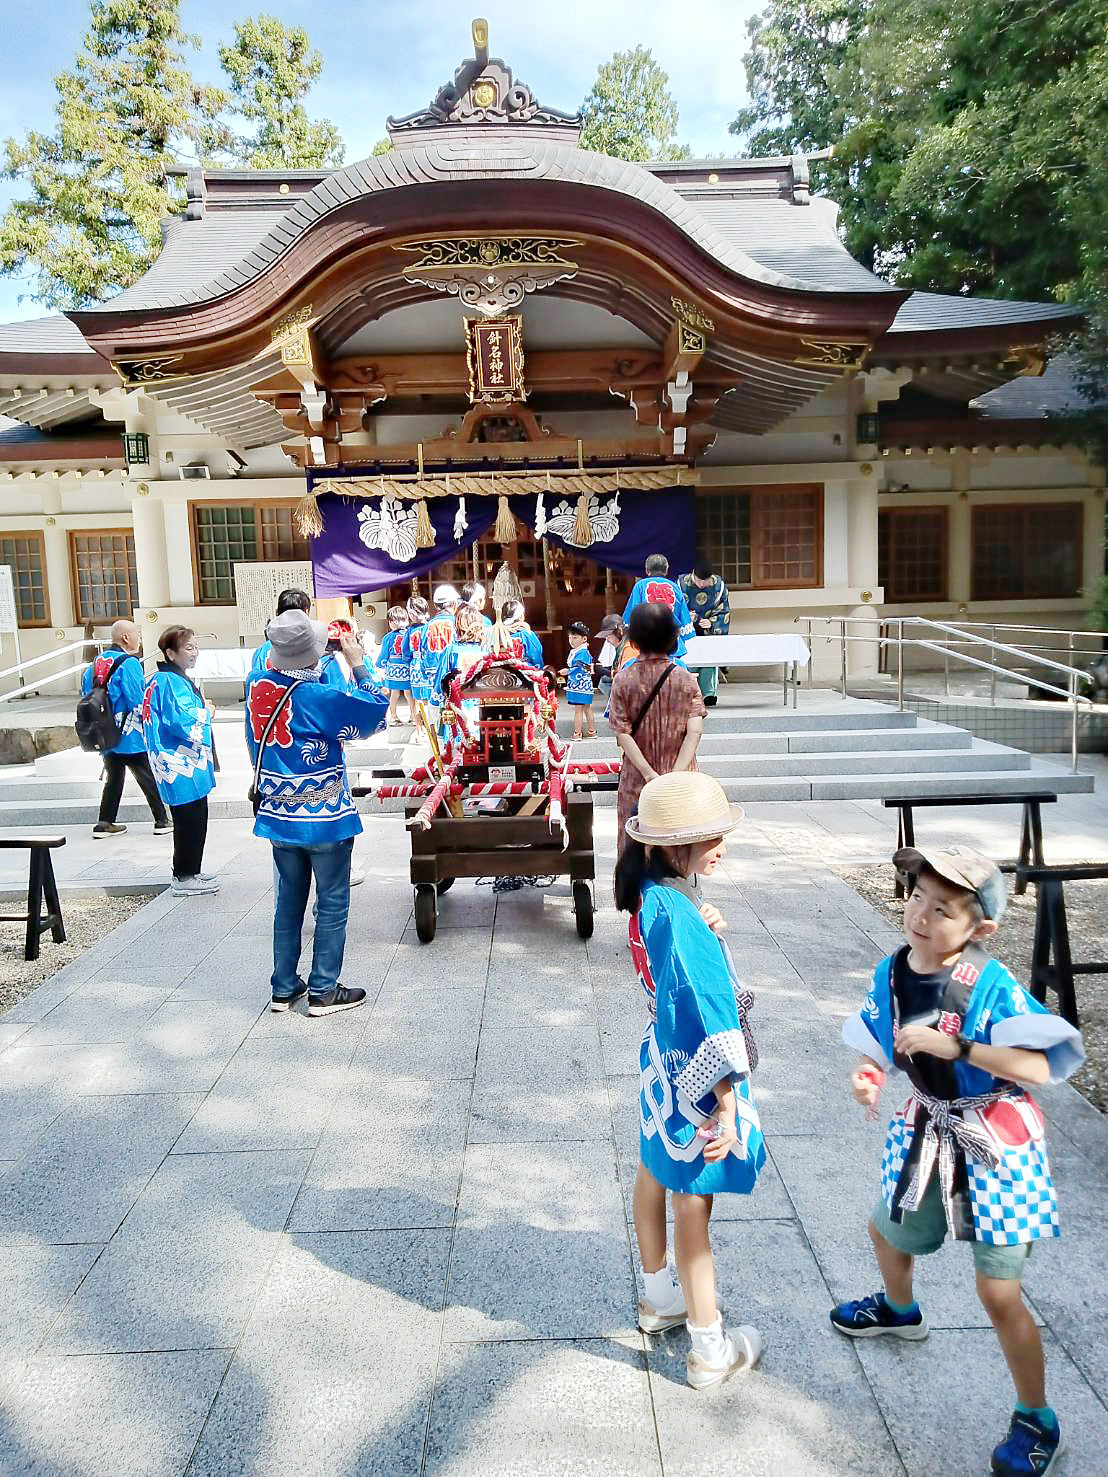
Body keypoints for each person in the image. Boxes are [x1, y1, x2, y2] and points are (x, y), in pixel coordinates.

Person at [832, 844, 1085, 1477]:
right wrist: (870, 1072)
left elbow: (1050, 1062)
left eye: (944, 908)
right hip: (926, 1128)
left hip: (996, 1143)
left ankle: (1036, 1416)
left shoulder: (991, 987)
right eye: (917, 896)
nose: (922, 915)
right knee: (887, 1231)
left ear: (980, 929)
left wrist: (962, 1045)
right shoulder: (892, 971)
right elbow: (883, 1043)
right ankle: (899, 1309)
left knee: (998, 1292)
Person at [614, 770, 764, 1390]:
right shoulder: (676, 913)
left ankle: (658, 1296)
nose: (721, 846)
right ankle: (709, 1350)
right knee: (694, 1207)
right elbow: (708, 1008)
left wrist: (700, 925)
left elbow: (674, 969)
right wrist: (726, 1102)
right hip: (700, 1077)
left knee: (654, 1172)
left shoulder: (652, 897)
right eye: (709, 838)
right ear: (670, 849)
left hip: (662, 1066)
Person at [246, 610, 388, 1016]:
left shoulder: (259, 686)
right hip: (323, 813)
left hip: (277, 810)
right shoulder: (317, 695)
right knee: (332, 902)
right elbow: (374, 711)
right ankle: (324, 989)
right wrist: (358, 662)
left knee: (287, 902)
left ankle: (284, 987)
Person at [608, 604, 707, 852]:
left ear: (636, 639)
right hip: (681, 781)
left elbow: (623, 734)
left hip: (638, 781)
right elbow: (694, 731)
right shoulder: (685, 679)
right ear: (672, 637)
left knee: (635, 847)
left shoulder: (623, 680)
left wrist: (650, 774)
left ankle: (635, 891)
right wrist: (674, 774)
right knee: (679, 846)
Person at [142, 626, 217, 897]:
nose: (194, 653)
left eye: (195, 647)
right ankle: (184, 875)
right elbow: (184, 721)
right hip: (179, 761)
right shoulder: (171, 682)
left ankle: (191, 870)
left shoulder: (162, 680)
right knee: (189, 819)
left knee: (195, 816)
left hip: (178, 759)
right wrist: (206, 712)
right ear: (170, 653)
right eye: (188, 648)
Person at [81, 619, 170, 840]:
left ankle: (105, 822)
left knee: (114, 777)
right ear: (126, 638)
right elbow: (136, 700)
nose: (139, 639)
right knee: (146, 774)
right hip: (129, 734)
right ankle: (162, 819)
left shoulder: (95, 663)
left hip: (105, 732)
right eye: (137, 634)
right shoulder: (128, 663)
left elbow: (86, 692)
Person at [251, 588, 347, 690]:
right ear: (306, 611)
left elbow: (257, 684)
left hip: (272, 701)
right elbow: (334, 691)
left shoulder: (261, 652)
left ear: (277, 612)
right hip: (310, 700)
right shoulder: (316, 647)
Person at [623, 554, 695, 662]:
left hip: (646, 639)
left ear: (647, 570)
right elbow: (684, 619)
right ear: (666, 570)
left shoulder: (640, 585)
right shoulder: (674, 586)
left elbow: (633, 613)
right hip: (669, 640)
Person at [679, 561, 730, 707]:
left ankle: (708, 693)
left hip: (708, 633)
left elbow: (724, 611)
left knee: (709, 659)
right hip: (686, 632)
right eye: (698, 580)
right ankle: (688, 692)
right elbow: (673, 609)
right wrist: (686, 617)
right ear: (692, 576)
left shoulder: (718, 586)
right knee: (689, 659)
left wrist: (712, 623)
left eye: (705, 581)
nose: (701, 584)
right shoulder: (680, 584)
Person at [435, 603, 489, 737]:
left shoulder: (452, 650)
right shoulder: (487, 649)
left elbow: (442, 678)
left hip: (458, 702)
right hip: (484, 704)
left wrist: (435, 700)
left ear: (458, 626)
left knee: (458, 742)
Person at [561, 621, 596, 738]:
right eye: (570, 637)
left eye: (575, 637)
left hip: (579, 684)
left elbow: (582, 667)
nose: (571, 640)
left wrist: (568, 671)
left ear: (584, 638)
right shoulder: (581, 651)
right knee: (586, 708)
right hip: (583, 684)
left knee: (579, 709)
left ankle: (577, 733)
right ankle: (592, 731)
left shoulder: (582, 652)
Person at [379, 605, 411, 726]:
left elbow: (384, 654)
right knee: (409, 693)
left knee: (394, 693)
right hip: (407, 667)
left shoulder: (388, 637)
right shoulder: (409, 633)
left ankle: (393, 716)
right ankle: (413, 716)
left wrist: (380, 665)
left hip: (393, 668)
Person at [404, 595, 433, 717]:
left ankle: (420, 730)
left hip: (416, 664)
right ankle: (435, 727)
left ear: (412, 614)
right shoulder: (432, 626)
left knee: (418, 700)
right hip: (432, 664)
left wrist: (407, 661)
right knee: (434, 697)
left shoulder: (410, 631)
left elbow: (405, 651)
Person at [494, 598, 543, 667]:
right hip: (522, 673)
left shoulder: (494, 633)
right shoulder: (526, 635)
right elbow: (536, 660)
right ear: (521, 617)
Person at [594, 614, 624, 697]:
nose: (607, 641)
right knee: (603, 681)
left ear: (620, 631)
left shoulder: (628, 648)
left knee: (604, 681)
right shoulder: (620, 647)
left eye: (609, 636)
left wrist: (603, 671)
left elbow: (624, 675)